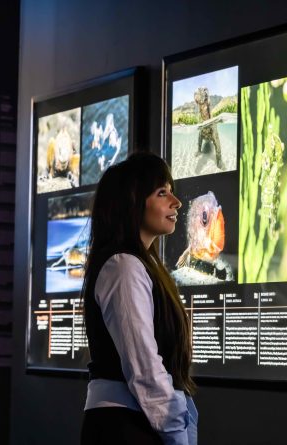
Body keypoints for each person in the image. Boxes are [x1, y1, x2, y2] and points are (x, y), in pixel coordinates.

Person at [80, 152, 198, 445]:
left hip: (136, 423)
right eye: (162, 193)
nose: (176, 202)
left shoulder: (140, 264)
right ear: (133, 203)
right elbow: (143, 364)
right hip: (126, 428)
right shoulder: (123, 266)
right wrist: (175, 430)